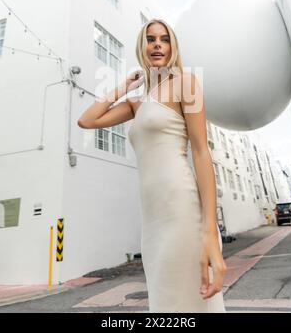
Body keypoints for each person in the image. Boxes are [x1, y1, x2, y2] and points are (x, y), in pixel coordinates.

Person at [78, 18, 227, 313]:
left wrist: (210, 231)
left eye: (164, 38)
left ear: (173, 46)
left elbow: (201, 152)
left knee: (191, 304)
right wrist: (123, 86)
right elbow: (87, 120)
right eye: (150, 39)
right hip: (153, 221)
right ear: (142, 47)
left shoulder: (186, 84)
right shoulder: (136, 103)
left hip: (183, 209)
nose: (157, 44)